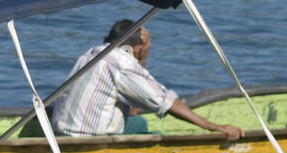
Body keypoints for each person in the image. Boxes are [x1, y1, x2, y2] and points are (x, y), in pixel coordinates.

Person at [51, 20, 241, 140]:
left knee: (139, 123)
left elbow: (133, 109)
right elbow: (165, 102)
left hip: (61, 131)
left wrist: (142, 57)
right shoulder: (122, 63)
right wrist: (214, 127)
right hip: (87, 139)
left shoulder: (91, 53)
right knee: (156, 137)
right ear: (136, 48)